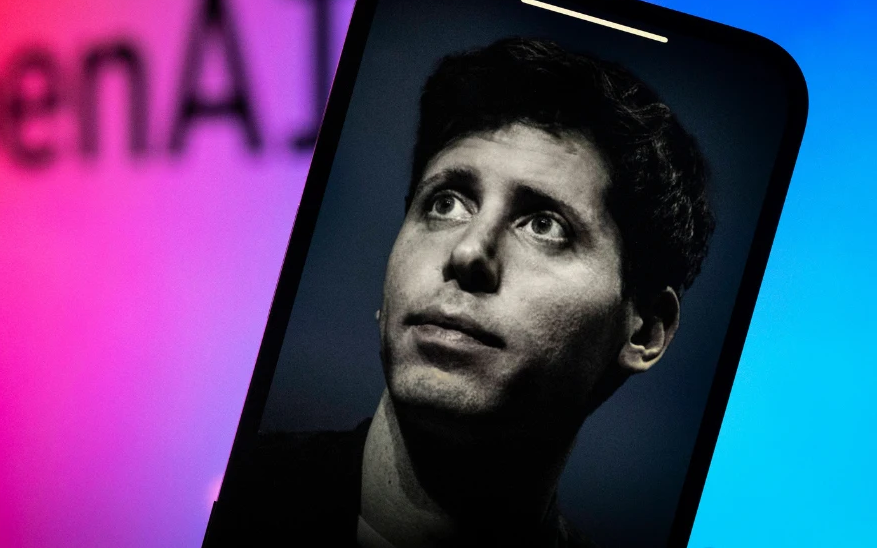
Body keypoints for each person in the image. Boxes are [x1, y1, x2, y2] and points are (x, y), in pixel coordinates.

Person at [213, 38, 715, 548]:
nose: (469, 251)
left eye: (544, 225)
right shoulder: (193, 498)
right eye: (446, 204)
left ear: (645, 329)